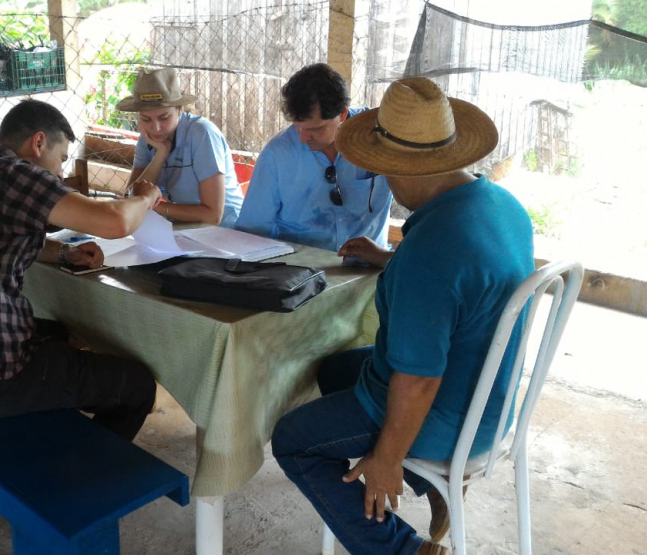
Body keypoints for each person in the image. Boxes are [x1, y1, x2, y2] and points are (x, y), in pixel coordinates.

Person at [270, 77, 535, 555]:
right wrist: (387, 259)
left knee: (292, 439)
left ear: (407, 169)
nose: (385, 181)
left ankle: (405, 549)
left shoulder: (428, 254)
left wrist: (387, 458)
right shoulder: (498, 203)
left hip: (444, 412)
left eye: (385, 170)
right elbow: (464, 284)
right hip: (488, 397)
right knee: (334, 367)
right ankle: (429, 482)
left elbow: (417, 381)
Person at [0, 99, 163, 441]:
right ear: (38, 143)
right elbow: (114, 222)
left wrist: (66, 253)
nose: (59, 173)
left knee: (60, 334)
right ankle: (89, 473)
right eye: (62, 159)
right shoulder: (17, 176)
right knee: (137, 384)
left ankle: (59, 422)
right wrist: (144, 198)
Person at [235, 63, 393, 253]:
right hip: (299, 268)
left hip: (370, 265)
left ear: (342, 114)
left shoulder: (381, 137)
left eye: (314, 129)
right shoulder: (277, 154)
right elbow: (251, 230)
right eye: (297, 127)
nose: (302, 138)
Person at [117, 67, 245, 227]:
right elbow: (132, 197)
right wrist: (161, 154)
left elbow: (213, 215)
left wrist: (152, 205)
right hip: (188, 227)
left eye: (164, 117)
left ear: (180, 110)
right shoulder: (147, 139)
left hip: (228, 231)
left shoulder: (202, 133)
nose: (156, 128)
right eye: (146, 119)